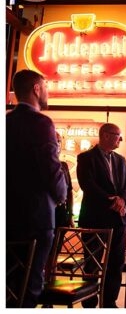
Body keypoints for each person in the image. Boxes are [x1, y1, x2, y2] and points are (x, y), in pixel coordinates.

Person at [6, 69, 67, 308]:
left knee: (10, 281)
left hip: (8, 215)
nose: (48, 93)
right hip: (36, 217)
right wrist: (61, 195)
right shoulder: (41, 123)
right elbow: (51, 168)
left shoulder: (6, 122)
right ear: (36, 89)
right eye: (46, 87)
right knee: (31, 284)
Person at [77, 123, 126, 308]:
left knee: (115, 263)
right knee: (92, 263)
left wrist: (123, 200)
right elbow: (88, 186)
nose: (120, 139)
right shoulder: (85, 158)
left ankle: (109, 302)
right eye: (118, 135)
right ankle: (90, 302)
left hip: (119, 219)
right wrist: (113, 202)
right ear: (106, 135)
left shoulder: (121, 160)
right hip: (95, 218)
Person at [55, 131, 75, 229]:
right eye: (55, 141)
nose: (57, 145)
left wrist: (70, 215)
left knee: (58, 243)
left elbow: (69, 191)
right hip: (43, 215)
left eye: (59, 142)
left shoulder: (64, 166)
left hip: (61, 214)